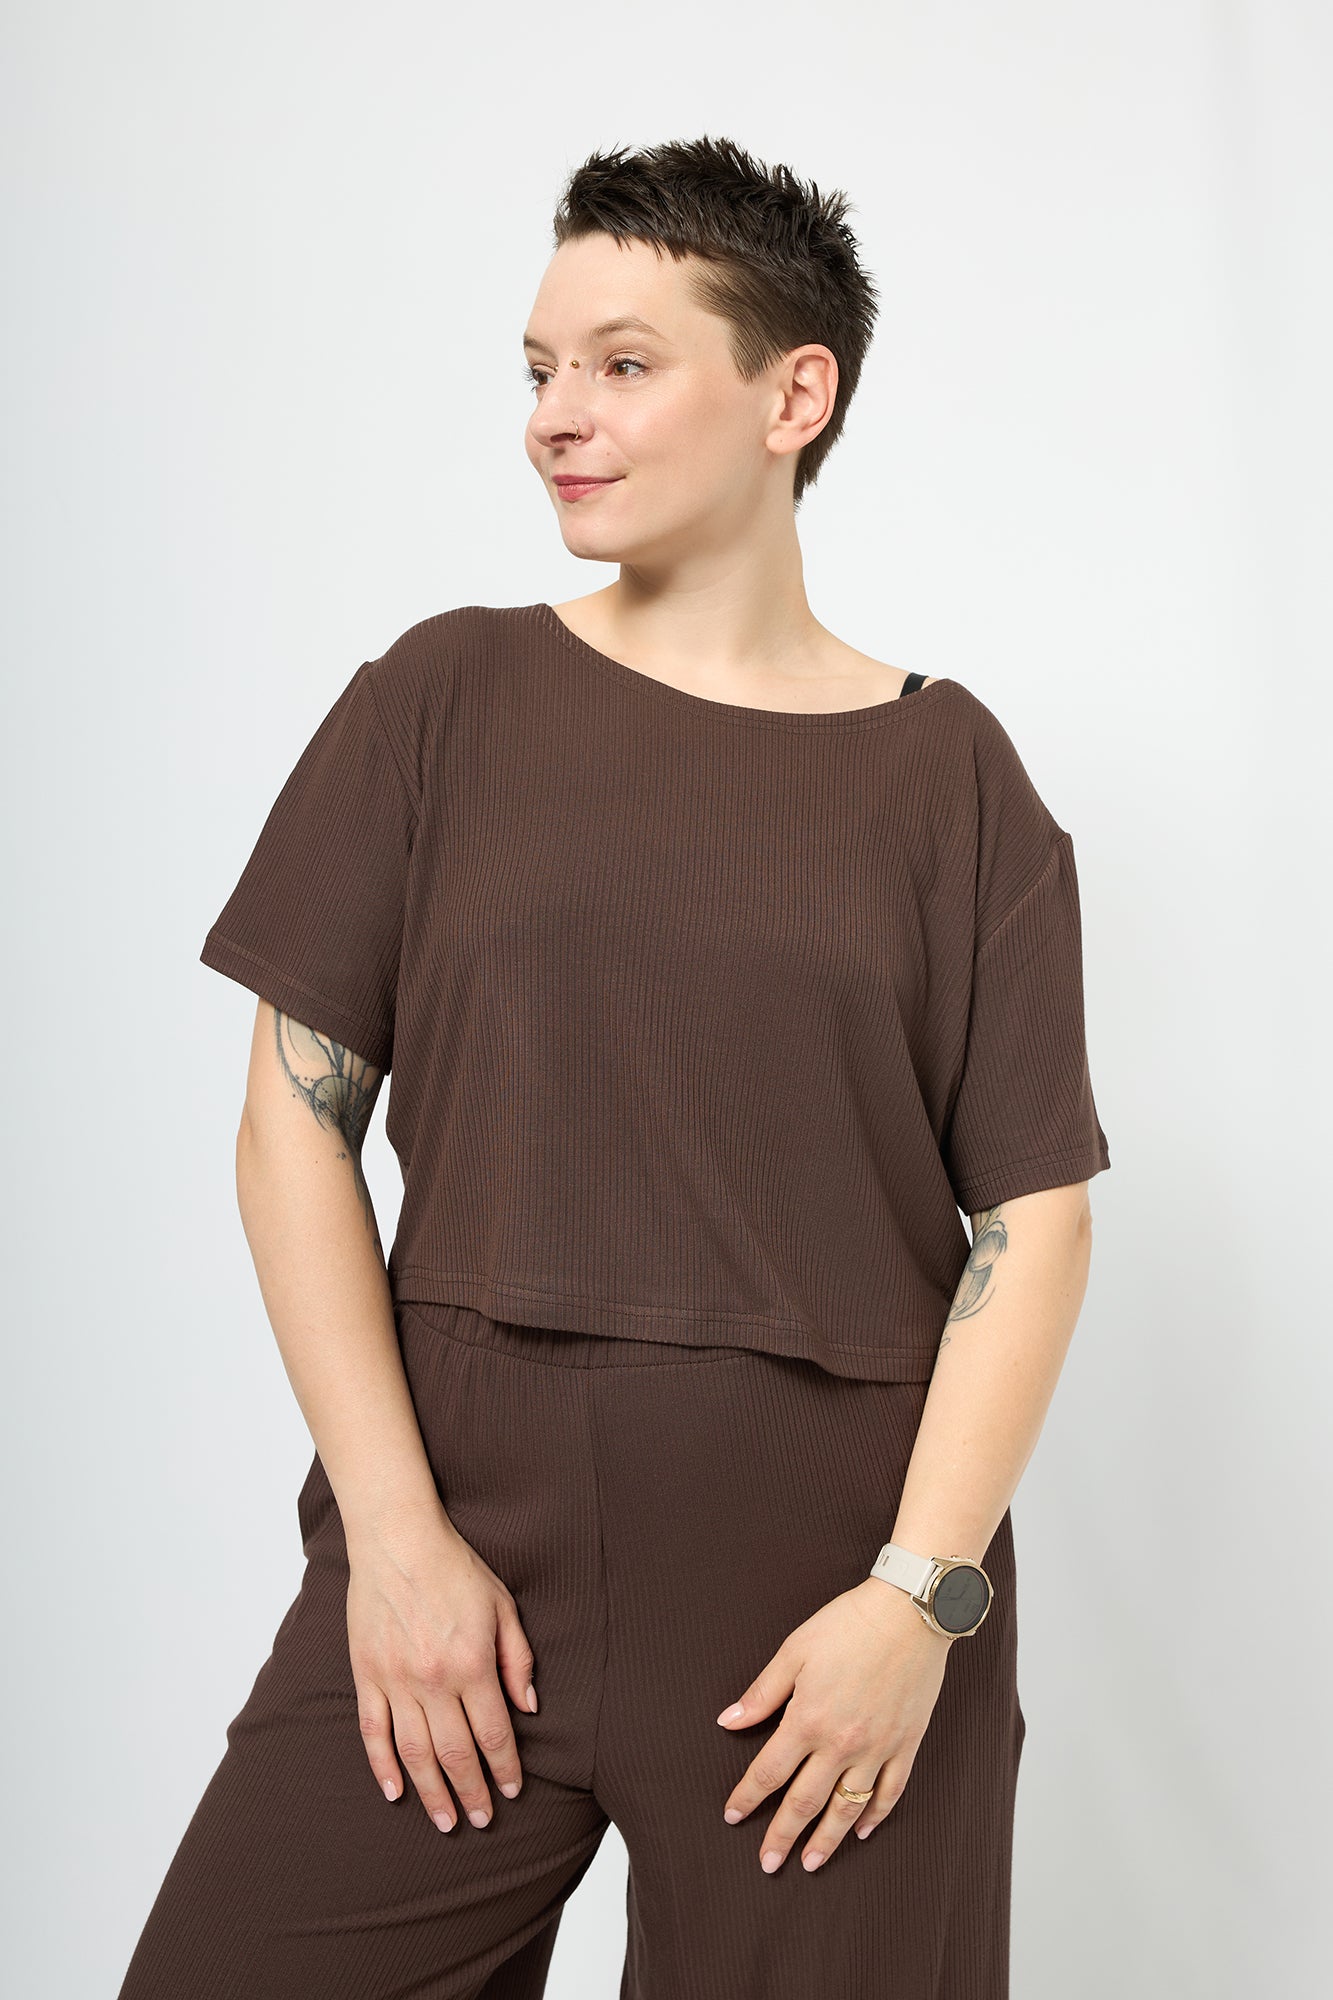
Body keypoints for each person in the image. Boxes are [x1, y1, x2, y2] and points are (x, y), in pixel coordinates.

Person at [117, 135, 1110, 1999]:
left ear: (791, 396)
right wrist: (394, 1543)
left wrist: (917, 1603)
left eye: (622, 363)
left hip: (827, 1595)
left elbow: (1030, 1221)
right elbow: (291, 1125)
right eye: (538, 368)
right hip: (457, 1546)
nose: (554, 417)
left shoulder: (951, 779)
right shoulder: (445, 697)